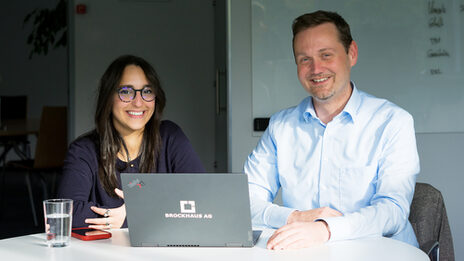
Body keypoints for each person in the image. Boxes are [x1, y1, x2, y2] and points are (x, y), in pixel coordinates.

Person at [244, 11, 420, 250]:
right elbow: (245, 201)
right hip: (304, 253)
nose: (316, 68)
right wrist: (295, 217)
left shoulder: (392, 121)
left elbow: (393, 211)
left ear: (352, 54)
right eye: (304, 59)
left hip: (379, 253)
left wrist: (325, 229)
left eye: (326, 55)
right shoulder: (280, 127)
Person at [58, 55, 205, 229]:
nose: (138, 102)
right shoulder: (84, 150)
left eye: (147, 91)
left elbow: (201, 197)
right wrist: (145, 213)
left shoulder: (170, 136)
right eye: (126, 91)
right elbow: (66, 214)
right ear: (108, 97)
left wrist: (133, 214)